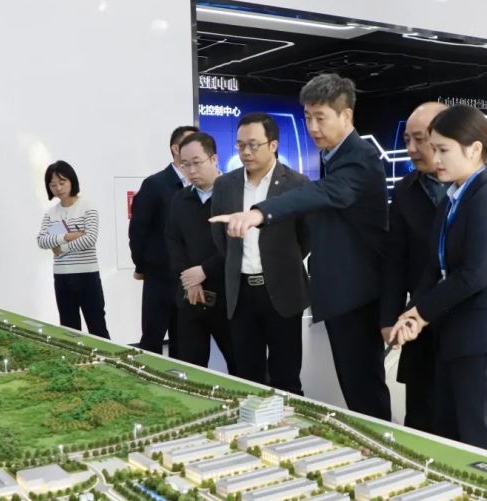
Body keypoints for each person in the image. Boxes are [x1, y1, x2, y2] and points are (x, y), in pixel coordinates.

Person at [212, 75, 391, 420]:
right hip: (341, 292)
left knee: (363, 386)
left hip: (356, 292)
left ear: (346, 116)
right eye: (307, 117)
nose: (312, 127)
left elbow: (323, 194)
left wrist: (260, 213)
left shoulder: (360, 156)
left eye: (320, 118)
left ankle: (383, 443)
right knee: (354, 384)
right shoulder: (334, 154)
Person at [389, 105, 487, 455]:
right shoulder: (453, 199)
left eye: (443, 150)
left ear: (474, 150)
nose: (435, 158)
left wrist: (422, 313)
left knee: (483, 442)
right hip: (454, 336)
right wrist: (412, 313)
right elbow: (435, 266)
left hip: (484, 341)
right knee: (449, 432)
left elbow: (475, 274)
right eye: (434, 148)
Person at [211, 113, 310, 394]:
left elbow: (306, 237)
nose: (246, 152)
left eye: (253, 145)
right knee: (248, 375)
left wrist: (282, 262)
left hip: (282, 291)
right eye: (240, 145)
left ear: (273, 145)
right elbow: (220, 238)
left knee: (286, 376)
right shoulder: (225, 185)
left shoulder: (296, 184)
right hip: (241, 292)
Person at [379, 101, 448, 432]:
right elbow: (396, 259)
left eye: (419, 139)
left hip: (469, 319)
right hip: (418, 318)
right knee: (420, 411)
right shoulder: (406, 190)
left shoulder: (481, 186)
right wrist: (388, 317)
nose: (411, 149)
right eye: (407, 140)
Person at [164, 132, 235, 372]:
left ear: (214, 159)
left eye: (197, 162)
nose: (191, 170)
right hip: (191, 297)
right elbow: (173, 242)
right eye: (185, 165)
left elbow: (236, 244)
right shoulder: (180, 199)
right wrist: (189, 280)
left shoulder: (234, 195)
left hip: (229, 298)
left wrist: (204, 271)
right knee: (192, 370)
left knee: (243, 368)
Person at [129, 125, 198, 356]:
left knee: (185, 340)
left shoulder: (201, 186)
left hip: (190, 278)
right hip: (160, 276)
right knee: (152, 337)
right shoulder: (155, 184)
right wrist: (142, 266)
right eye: (190, 143)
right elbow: (138, 230)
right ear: (176, 149)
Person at [36, 160, 109, 338]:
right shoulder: (50, 213)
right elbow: (42, 241)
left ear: (72, 181)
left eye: (62, 182)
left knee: (97, 327)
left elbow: (89, 239)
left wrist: (61, 248)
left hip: (87, 276)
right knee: (69, 330)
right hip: (62, 277)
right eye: (53, 185)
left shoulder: (87, 207)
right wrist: (68, 236)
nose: (58, 188)